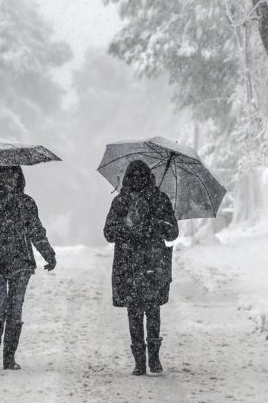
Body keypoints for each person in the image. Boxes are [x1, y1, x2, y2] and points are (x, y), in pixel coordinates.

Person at [0, 165, 56, 370]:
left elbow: (36, 231)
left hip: (21, 264)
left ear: (19, 178)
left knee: (15, 311)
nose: (10, 180)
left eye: (14, 176)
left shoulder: (26, 203)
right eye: (5, 176)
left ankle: (9, 357)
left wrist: (48, 253)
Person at [103, 159, 179, 375]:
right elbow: (108, 233)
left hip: (153, 264)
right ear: (128, 179)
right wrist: (127, 228)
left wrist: (154, 223)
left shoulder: (159, 199)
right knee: (134, 312)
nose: (137, 181)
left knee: (152, 310)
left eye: (141, 176)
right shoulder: (121, 202)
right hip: (128, 265)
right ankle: (139, 361)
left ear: (147, 178)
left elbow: (173, 231)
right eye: (133, 177)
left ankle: (153, 359)